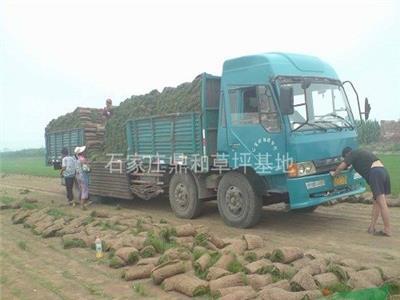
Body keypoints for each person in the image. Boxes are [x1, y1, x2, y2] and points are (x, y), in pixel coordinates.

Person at [331, 147, 392, 236]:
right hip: (383, 172)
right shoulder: (361, 153)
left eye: (345, 158)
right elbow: (349, 169)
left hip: (375, 173)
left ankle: (387, 229)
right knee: (377, 202)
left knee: (382, 203)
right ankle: (371, 227)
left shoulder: (352, 154)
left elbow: (342, 167)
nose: (346, 160)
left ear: (347, 154)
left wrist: (334, 173)